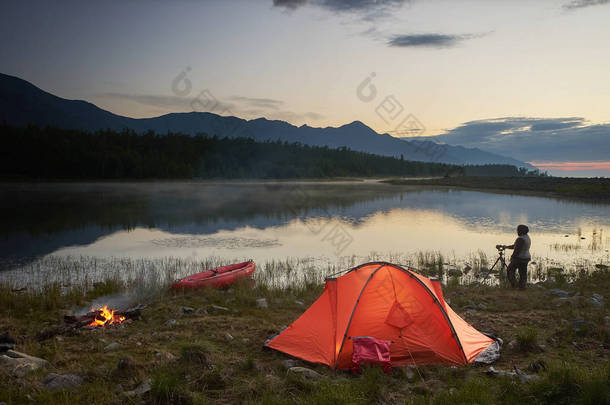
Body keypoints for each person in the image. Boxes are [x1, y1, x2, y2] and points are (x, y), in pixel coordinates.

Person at [502, 224, 531, 289]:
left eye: (518, 230)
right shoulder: (527, 237)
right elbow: (515, 246)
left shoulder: (520, 239)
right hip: (526, 258)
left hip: (519, 258)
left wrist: (512, 257)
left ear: (521, 231)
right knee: (523, 273)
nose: (517, 232)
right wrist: (506, 247)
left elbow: (517, 250)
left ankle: (514, 285)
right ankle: (522, 287)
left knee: (510, 270)